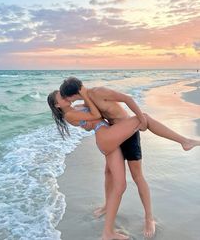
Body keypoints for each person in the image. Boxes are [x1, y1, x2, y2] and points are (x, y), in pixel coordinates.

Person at [47, 85, 200, 240]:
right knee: (144, 118)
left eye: (65, 94)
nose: (66, 97)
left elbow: (92, 120)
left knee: (115, 179)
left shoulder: (78, 107)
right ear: (57, 105)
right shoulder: (70, 115)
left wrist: (86, 106)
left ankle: (108, 223)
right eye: (62, 97)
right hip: (107, 137)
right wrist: (86, 98)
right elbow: (95, 114)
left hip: (110, 135)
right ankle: (184, 141)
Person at [60, 78, 155, 238]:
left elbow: (127, 99)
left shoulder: (98, 92)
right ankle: (106, 205)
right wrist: (85, 123)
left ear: (72, 95)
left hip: (128, 134)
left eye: (65, 97)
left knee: (137, 177)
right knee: (108, 173)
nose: (66, 101)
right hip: (114, 134)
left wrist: (141, 119)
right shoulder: (87, 101)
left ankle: (149, 218)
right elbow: (93, 117)